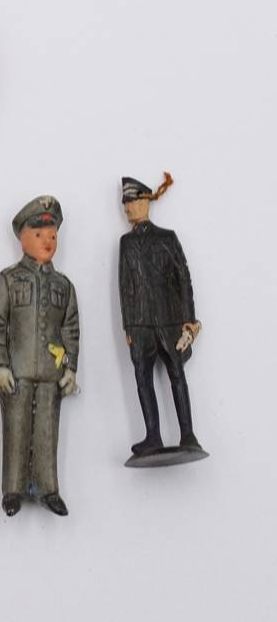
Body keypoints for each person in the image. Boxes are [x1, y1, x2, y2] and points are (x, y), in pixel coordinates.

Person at [0, 196, 80, 516]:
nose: (47, 241)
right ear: (22, 237)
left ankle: (48, 488)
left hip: (51, 374)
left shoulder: (64, 285)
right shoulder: (8, 280)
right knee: (16, 428)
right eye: (39, 235)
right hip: (17, 371)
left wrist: (70, 368)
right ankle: (13, 490)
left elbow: (70, 329)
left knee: (47, 431)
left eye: (52, 235)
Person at [119, 174, 207, 466]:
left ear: (146, 202)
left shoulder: (167, 238)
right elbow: (125, 285)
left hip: (169, 321)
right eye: (125, 204)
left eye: (132, 202)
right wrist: (129, 326)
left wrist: (189, 320)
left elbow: (183, 279)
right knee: (142, 378)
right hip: (140, 323)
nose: (128, 208)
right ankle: (152, 435)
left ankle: (188, 434)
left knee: (176, 374)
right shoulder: (126, 243)